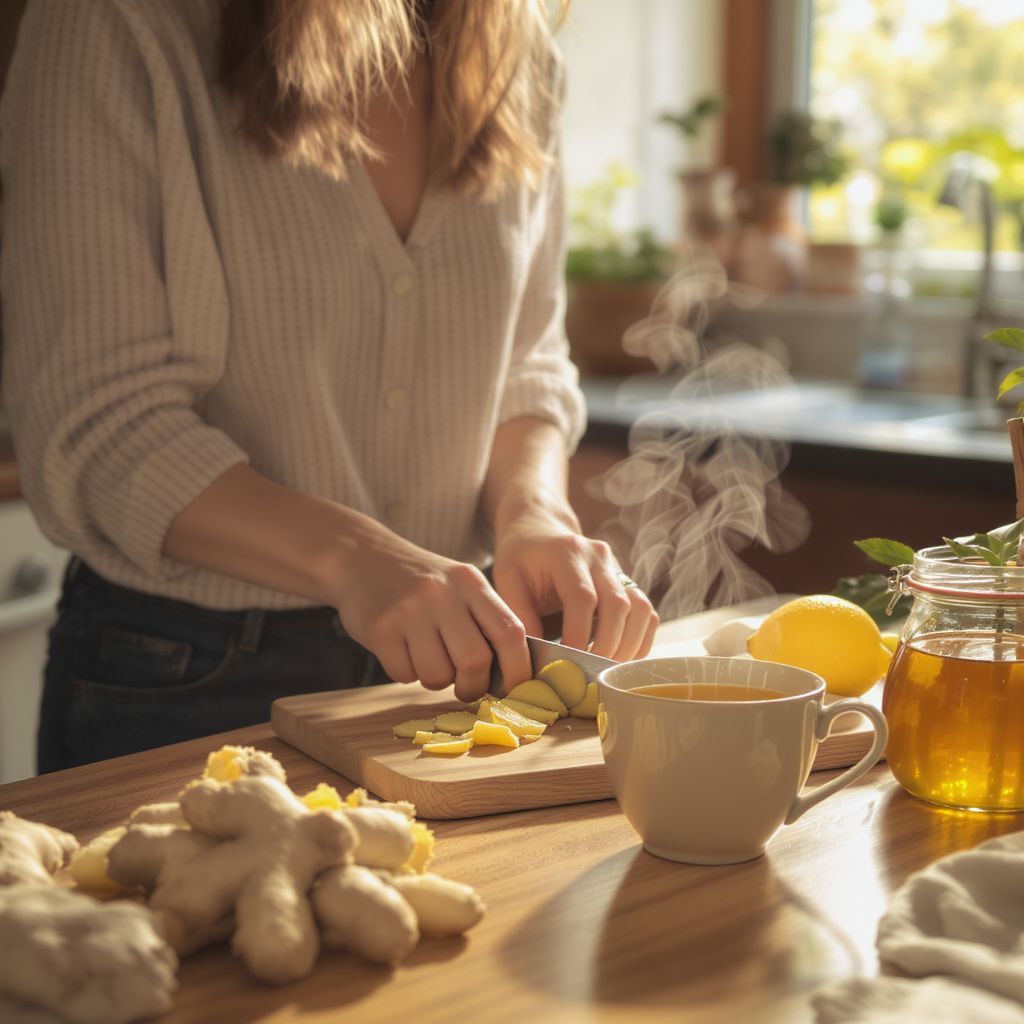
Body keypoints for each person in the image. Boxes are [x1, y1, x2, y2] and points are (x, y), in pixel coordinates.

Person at [1, 0, 658, 773]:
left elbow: (527, 366)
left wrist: (533, 514)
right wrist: (360, 560)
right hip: (181, 678)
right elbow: (97, 426)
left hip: (456, 674)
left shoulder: (519, 51)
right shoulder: (115, 21)